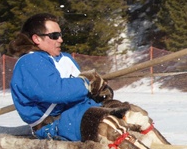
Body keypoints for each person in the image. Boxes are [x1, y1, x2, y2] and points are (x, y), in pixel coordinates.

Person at [7, 13, 113, 141]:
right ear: (37, 39)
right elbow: (56, 92)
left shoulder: (65, 58)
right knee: (112, 128)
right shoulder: (30, 62)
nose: (60, 40)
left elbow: (78, 91)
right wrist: (87, 84)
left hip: (79, 113)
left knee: (129, 114)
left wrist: (99, 92)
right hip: (56, 124)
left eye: (60, 35)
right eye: (54, 36)